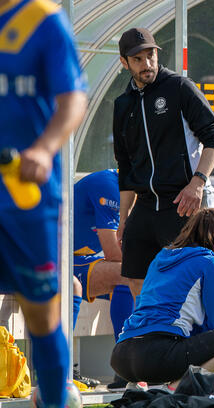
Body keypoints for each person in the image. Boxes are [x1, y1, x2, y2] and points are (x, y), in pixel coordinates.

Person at [0, 0, 87, 406]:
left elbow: (73, 99)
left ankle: (54, 398)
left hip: (25, 195)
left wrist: (44, 149)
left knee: (41, 313)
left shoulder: (44, 20)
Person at [112, 28, 214, 298]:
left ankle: (194, 338)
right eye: (137, 59)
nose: (147, 64)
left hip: (182, 202)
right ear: (124, 63)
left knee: (188, 284)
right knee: (137, 282)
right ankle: (145, 338)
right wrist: (123, 218)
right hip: (146, 205)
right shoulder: (122, 104)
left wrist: (197, 183)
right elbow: (125, 166)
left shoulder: (179, 86)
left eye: (150, 56)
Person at [110, 208, 214, 389]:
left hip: (122, 355)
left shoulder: (160, 258)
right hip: (157, 354)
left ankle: (161, 388)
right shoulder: (208, 261)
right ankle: (179, 387)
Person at [72, 169, 134, 389]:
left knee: (141, 281)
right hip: (55, 259)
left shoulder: (138, 193)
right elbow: (113, 253)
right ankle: (126, 366)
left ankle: (137, 364)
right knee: (128, 276)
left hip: (81, 259)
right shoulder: (110, 184)